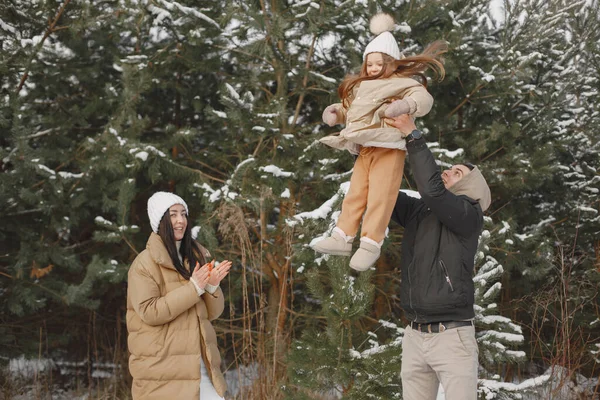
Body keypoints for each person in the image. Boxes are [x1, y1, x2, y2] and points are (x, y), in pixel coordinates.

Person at [310, 13, 446, 271]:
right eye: (369, 64)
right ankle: (342, 236)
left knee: (380, 196)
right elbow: (349, 108)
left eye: (378, 63)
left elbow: (423, 98)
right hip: (364, 146)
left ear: (393, 62)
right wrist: (336, 112)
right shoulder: (362, 88)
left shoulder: (403, 83)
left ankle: (370, 243)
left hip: (389, 146)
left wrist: (406, 105)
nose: (372, 69)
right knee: (356, 193)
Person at [388, 115, 491, 400]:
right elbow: (385, 193)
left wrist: (413, 136)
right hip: (414, 334)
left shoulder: (469, 214)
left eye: (456, 172)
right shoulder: (419, 211)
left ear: (470, 186)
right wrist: (367, 151)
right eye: (448, 169)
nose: (446, 172)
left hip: (452, 337)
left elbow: (432, 190)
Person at [126, 191, 232, 399]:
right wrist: (193, 288)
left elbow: (212, 314)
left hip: (201, 366)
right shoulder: (144, 264)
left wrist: (211, 287)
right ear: (161, 220)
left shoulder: (193, 258)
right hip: (165, 372)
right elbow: (150, 312)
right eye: (173, 214)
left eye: (183, 214)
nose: (180, 220)